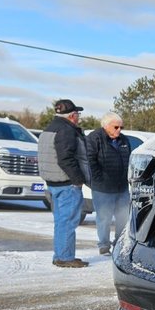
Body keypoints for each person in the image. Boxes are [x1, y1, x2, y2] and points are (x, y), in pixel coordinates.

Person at [37, 99, 90, 268]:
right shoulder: (66, 130)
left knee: (61, 221)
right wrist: (78, 180)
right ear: (72, 115)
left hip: (53, 183)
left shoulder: (48, 129)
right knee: (68, 222)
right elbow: (65, 159)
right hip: (67, 184)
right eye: (77, 114)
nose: (78, 117)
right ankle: (65, 258)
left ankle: (60, 255)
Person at [86, 111, 132, 255]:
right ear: (106, 126)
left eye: (121, 127)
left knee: (123, 217)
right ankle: (104, 245)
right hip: (103, 188)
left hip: (122, 187)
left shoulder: (124, 140)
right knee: (104, 218)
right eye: (116, 127)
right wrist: (99, 178)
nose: (119, 130)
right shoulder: (94, 138)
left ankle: (119, 244)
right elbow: (89, 161)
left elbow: (129, 159)